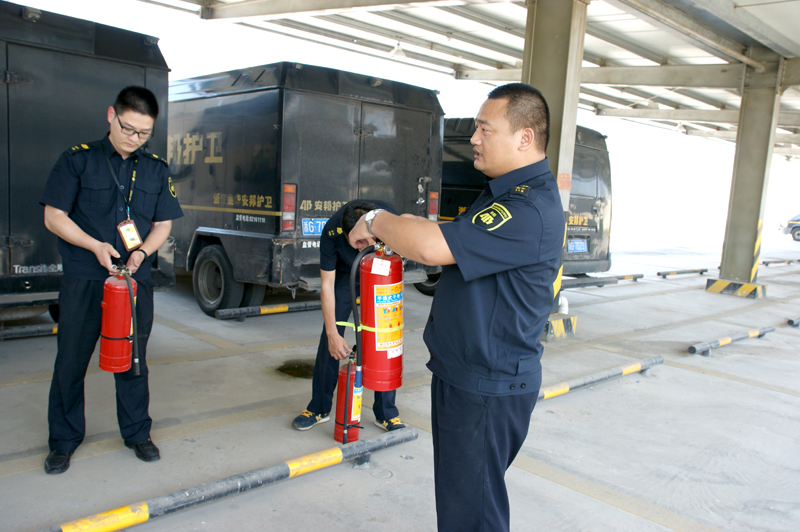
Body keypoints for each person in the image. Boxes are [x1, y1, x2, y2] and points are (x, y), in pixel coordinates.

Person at [347, 84, 564, 531]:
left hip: (486, 386)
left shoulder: (528, 208)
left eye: (486, 128)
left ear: (524, 138)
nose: (475, 139)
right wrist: (400, 226)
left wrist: (373, 220)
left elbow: (431, 247)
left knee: (473, 516)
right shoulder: (503, 193)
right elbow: (443, 234)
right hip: (467, 376)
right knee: (461, 505)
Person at [39, 86, 183, 474]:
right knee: (70, 361)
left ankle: (137, 433)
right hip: (87, 276)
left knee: (133, 361)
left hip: (135, 280)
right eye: (128, 128)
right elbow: (54, 216)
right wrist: (94, 246)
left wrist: (141, 253)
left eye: (143, 133)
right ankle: (64, 440)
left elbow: (164, 224)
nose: (133, 138)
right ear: (111, 116)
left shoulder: (155, 168)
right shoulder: (77, 161)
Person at [292, 200, 405, 433]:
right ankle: (318, 407)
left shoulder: (391, 221)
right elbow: (326, 284)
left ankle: (386, 413)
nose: (360, 246)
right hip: (346, 275)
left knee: (384, 336)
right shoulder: (332, 232)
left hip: (379, 273)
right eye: (355, 240)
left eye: (366, 240)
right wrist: (333, 333)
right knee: (330, 334)